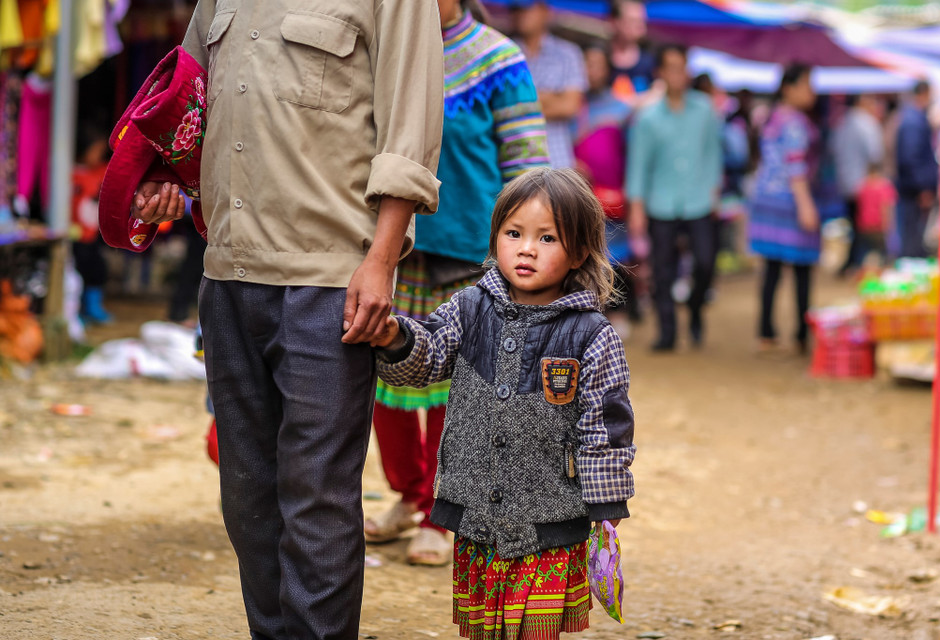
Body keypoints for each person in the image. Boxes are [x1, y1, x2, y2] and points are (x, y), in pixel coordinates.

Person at [131, 3, 445, 639]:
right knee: (247, 496)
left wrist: (380, 260)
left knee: (318, 497)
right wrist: (164, 178)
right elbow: (186, 97)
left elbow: (408, 129)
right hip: (227, 273)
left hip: (330, 279)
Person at [373, 167, 636, 640]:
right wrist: (396, 336)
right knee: (482, 629)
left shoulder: (592, 335)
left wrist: (606, 501)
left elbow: (605, 426)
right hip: (475, 514)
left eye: (547, 238)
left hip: (550, 522)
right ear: (496, 240)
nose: (527, 248)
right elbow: (428, 357)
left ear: (578, 252)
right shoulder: (469, 307)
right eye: (514, 233)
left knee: (535, 630)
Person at [365, 0, 549, 567]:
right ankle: (409, 493)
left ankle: (441, 517)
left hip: (471, 255)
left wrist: (524, 249)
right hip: (387, 248)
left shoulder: (500, 60)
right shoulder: (382, 49)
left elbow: (528, 165)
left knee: (457, 391)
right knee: (382, 378)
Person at [624, 44, 722, 351]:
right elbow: (638, 164)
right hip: (661, 201)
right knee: (662, 270)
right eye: (672, 68)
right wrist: (636, 206)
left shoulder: (705, 109)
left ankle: (694, 307)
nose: (678, 74)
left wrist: (714, 189)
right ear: (661, 73)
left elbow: (712, 153)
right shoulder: (648, 117)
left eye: (683, 67)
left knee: (706, 262)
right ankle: (667, 331)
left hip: (699, 200)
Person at [748, 64, 820, 354]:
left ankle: (766, 331)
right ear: (788, 88)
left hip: (766, 199)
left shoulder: (771, 117)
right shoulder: (796, 123)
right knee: (802, 268)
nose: (811, 92)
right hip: (790, 202)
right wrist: (806, 205)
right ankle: (802, 334)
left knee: (772, 269)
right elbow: (795, 166)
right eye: (806, 84)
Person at [574, 42, 640, 337]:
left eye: (598, 65)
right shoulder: (571, 107)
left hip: (614, 194)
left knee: (618, 256)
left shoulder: (623, 109)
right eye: (587, 64)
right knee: (584, 253)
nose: (592, 71)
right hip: (579, 193)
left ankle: (619, 312)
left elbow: (632, 153)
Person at [511, 0, 588, 169]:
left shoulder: (568, 54)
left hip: (557, 161)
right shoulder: (504, 53)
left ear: (544, 10)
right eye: (516, 9)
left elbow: (570, 106)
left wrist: (520, 101)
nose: (520, 14)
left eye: (526, 8)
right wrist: (552, 97)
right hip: (515, 162)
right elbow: (502, 105)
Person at [831, 94, 885, 275]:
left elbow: (833, 150)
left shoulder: (842, 123)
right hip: (864, 185)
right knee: (867, 227)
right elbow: (875, 154)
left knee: (854, 224)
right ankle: (861, 264)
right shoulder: (867, 124)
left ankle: (852, 263)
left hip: (846, 183)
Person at [71, 123, 112, 324]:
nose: (99, 156)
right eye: (96, 151)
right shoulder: (70, 174)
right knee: (77, 275)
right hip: (74, 236)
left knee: (98, 270)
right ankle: (77, 310)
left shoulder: (99, 172)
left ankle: (93, 307)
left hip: (92, 235)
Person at [896, 80, 939, 258]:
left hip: (913, 188)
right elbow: (911, 158)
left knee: (914, 238)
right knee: (913, 240)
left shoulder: (913, 118)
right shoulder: (913, 121)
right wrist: (923, 188)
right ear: (923, 94)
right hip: (913, 191)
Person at [608, 0, 656, 104]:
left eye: (642, 21)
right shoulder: (601, 58)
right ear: (614, 22)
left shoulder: (651, 60)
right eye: (633, 21)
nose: (641, 28)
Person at [856, 161, 897, 263]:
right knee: (882, 254)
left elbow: (859, 205)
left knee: (866, 253)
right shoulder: (884, 187)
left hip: (864, 226)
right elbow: (886, 208)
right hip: (879, 226)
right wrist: (889, 225)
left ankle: (866, 271)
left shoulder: (863, 186)